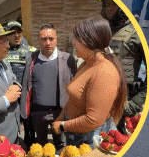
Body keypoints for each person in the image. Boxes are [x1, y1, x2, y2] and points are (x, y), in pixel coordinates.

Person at [52, 17, 127, 147]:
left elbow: (94, 120)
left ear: (90, 42)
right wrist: (61, 116)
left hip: (91, 140)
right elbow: (75, 97)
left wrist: (63, 126)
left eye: (77, 39)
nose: (73, 43)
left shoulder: (104, 72)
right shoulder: (87, 63)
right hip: (77, 135)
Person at [20, 24, 77, 148]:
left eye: (51, 38)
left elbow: (74, 85)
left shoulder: (67, 59)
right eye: (44, 39)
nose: (48, 42)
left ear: (56, 39)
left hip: (60, 112)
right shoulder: (31, 59)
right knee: (40, 146)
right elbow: (26, 85)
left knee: (61, 145)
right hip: (37, 113)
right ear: (38, 40)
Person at [98, 0, 146, 131]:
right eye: (107, 5)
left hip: (126, 102)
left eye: (114, 4)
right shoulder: (105, 32)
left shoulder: (134, 33)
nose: (110, 8)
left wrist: (134, 104)